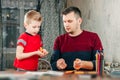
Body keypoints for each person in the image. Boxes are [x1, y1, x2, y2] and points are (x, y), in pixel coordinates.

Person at [50, 6, 103, 71]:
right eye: (64, 21)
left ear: (79, 21)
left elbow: (100, 64)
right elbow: (52, 65)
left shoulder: (94, 37)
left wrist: (83, 64)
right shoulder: (59, 40)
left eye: (70, 21)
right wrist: (57, 65)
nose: (66, 25)